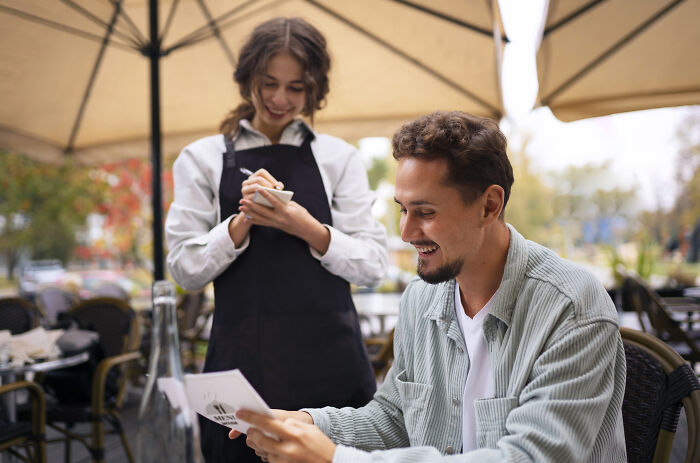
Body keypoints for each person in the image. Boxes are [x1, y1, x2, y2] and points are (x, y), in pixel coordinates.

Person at [229, 110, 627, 462]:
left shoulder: (572, 308)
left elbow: (530, 456)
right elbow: (394, 418)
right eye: (403, 209)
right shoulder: (421, 299)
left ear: (489, 205)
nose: (405, 232)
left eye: (425, 212)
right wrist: (307, 425)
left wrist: (335, 459)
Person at [165, 17, 387, 462]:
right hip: (241, 369)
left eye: (296, 88)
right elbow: (184, 270)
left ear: (314, 90)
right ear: (247, 78)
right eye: (268, 83)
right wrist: (239, 223)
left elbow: (374, 266)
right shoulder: (202, 158)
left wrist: (304, 226)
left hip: (332, 366)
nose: (280, 99)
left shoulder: (339, 157)